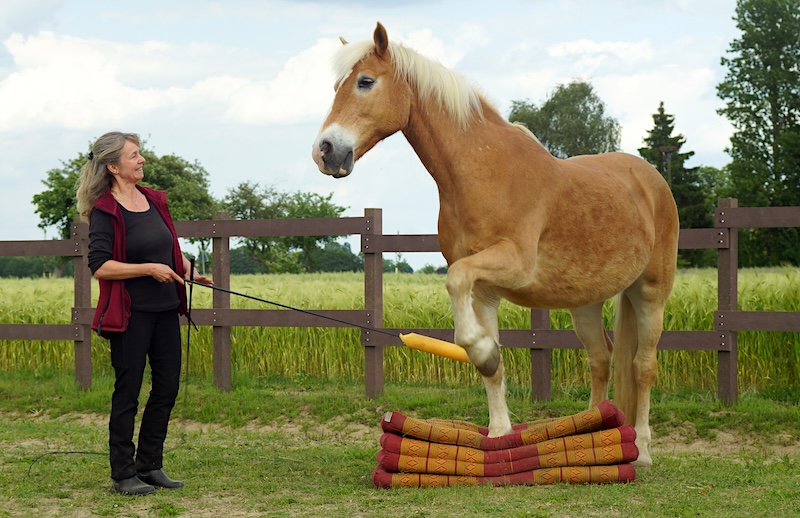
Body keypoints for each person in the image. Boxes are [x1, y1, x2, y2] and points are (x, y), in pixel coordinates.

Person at [76, 131, 212, 496]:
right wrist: (148, 269)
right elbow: (100, 266)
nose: (142, 160)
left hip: (167, 309)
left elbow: (166, 244)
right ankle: (123, 473)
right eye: (134, 156)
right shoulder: (106, 210)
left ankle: (150, 465)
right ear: (113, 166)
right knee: (128, 393)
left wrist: (185, 268)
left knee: (167, 387)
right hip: (130, 315)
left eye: (140, 154)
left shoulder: (153, 199)